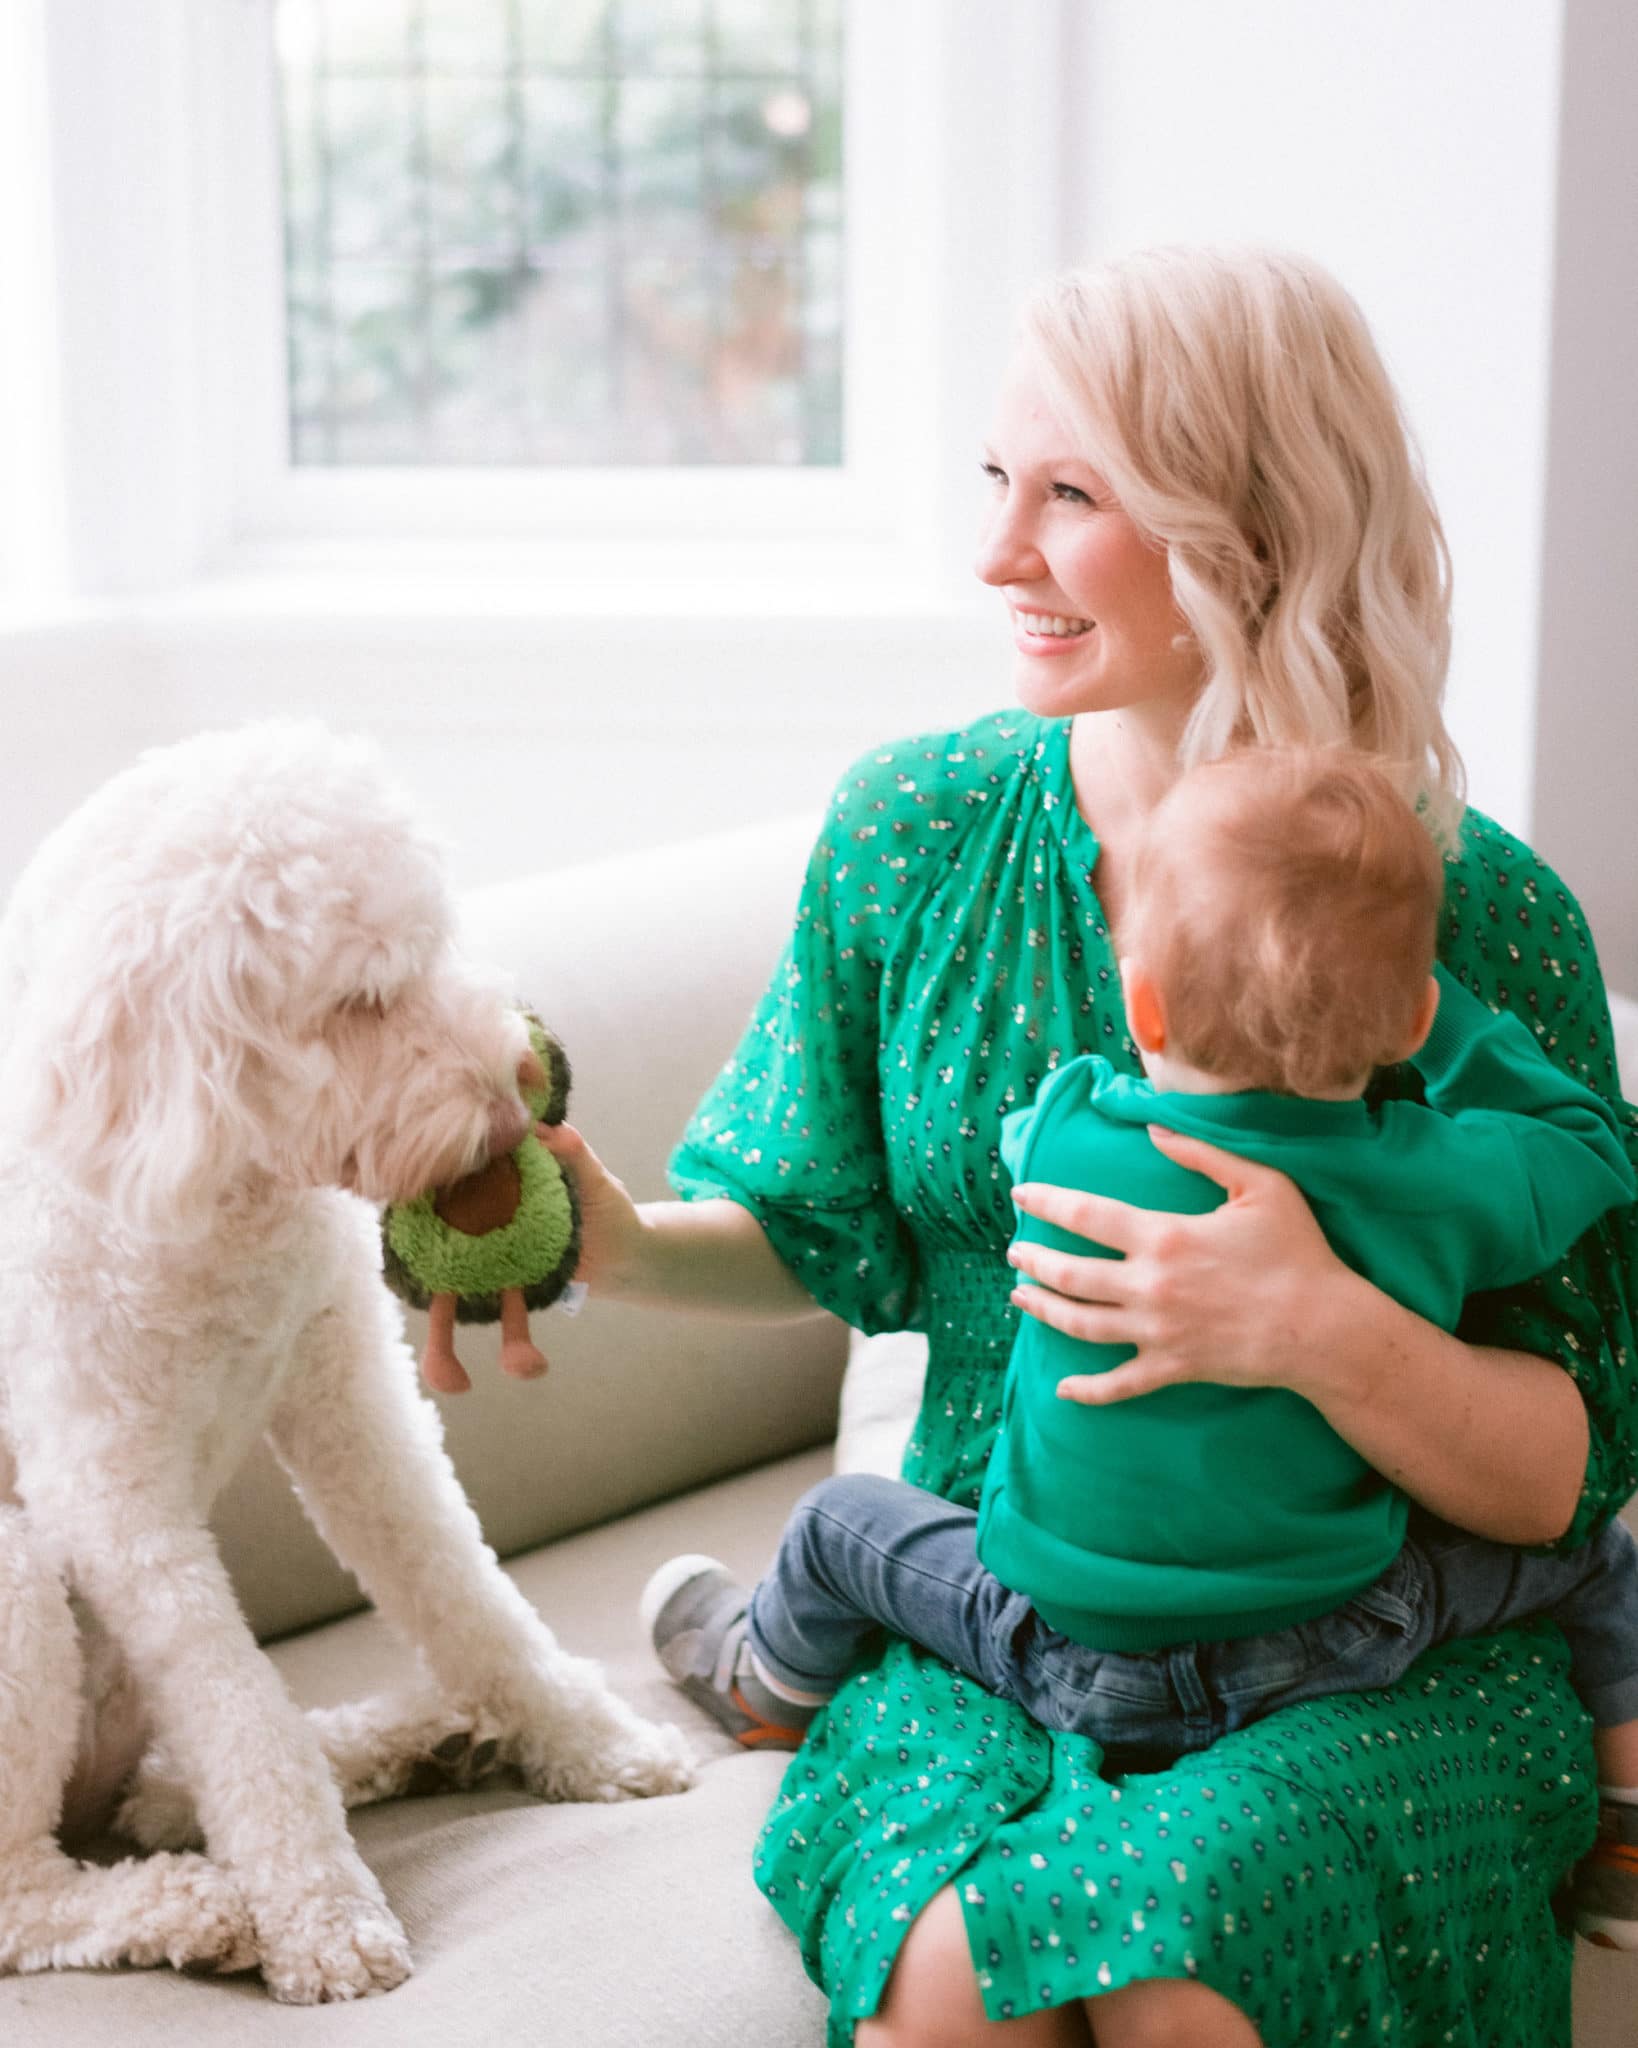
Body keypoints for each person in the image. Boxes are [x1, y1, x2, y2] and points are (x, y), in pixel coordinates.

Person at [537, 246, 1638, 2046]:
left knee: (1177, 1971)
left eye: (1071, 495)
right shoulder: (918, 827)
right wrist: (620, 1245)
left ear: (1251, 528)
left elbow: (1559, 1478)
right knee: (961, 1987)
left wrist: (1310, 1322)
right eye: (997, 482)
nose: (995, 555)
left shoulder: (1472, 912)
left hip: (1379, 1641)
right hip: (1004, 1600)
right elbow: (826, 1227)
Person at [635, 744, 1638, 1950]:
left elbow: (953, 1171)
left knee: (841, 1524)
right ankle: (1629, 1822)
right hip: (1328, 1637)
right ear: (1411, 1015)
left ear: (1142, 1002)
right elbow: (1589, 1141)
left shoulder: (1063, 1130)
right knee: (1594, 1550)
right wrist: (1438, 1020)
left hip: (1052, 1643)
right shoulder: (1434, 1179)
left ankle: (762, 1679)